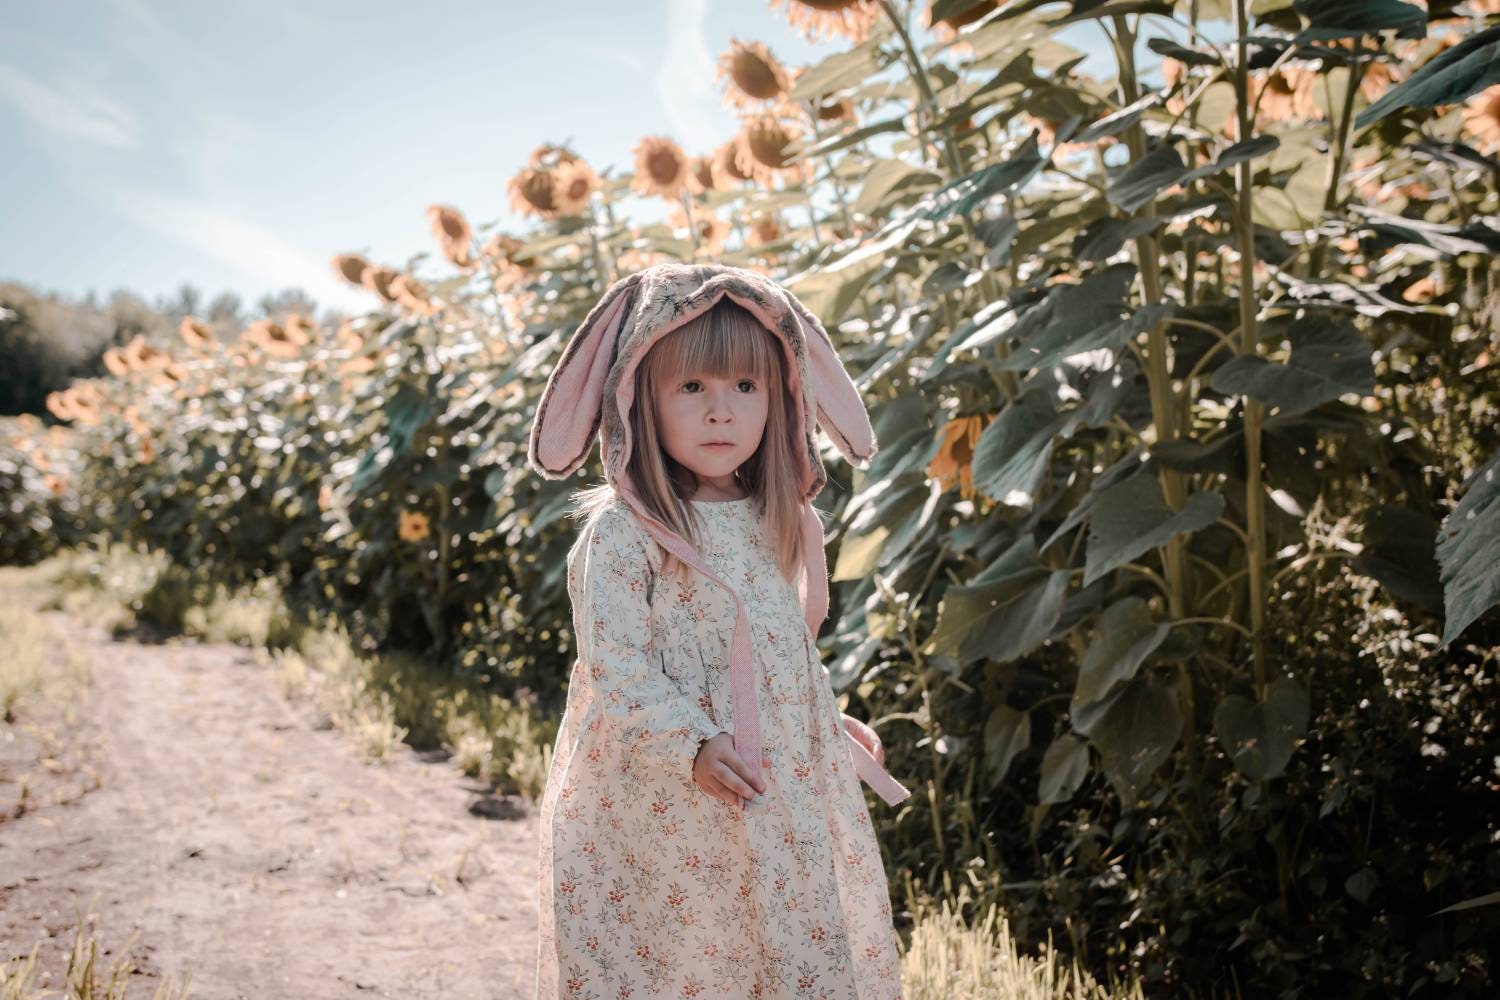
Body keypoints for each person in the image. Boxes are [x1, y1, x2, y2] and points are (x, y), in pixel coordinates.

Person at [528, 261, 910, 999]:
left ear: (784, 397)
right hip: (663, 798)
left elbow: (782, 647)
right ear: (637, 398)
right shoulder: (624, 536)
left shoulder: (782, 520)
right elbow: (617, 669)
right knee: (681, 955)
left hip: (773, 790)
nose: (721, 413)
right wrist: (692, 743)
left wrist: (823, 719)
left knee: (777, 944)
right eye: (691, 387)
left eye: (745, 387)